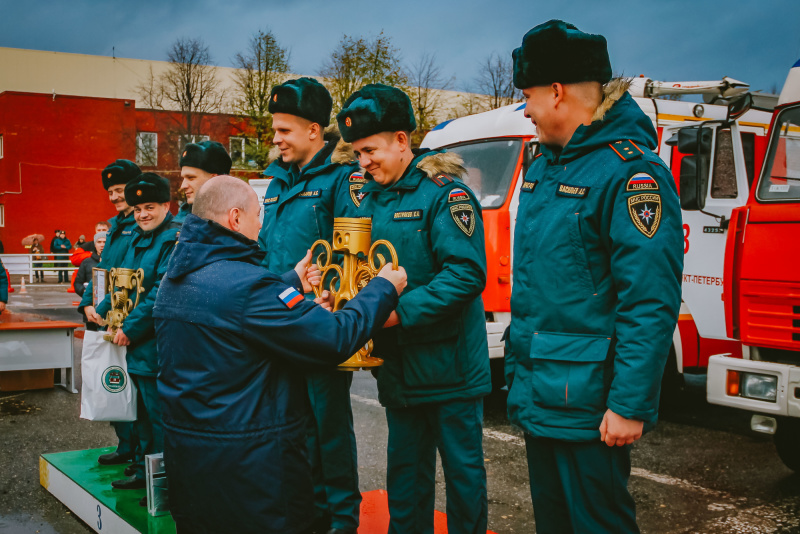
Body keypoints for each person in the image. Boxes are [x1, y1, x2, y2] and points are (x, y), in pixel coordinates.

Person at [505, 20, 683, 533]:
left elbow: (648, 300)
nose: (528, 109)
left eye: (529, 96)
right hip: (543, 394)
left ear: (556, 92)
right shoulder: (546, 166)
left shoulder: (631, 174)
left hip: (591, 406)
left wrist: (629, 404)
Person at [154, 175, 406, 534]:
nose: (263, 223)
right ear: (235, 218)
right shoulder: (250, 286)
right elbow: (332, 338)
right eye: (259, 214)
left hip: (193, 469)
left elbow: (225, 308)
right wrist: (383, 288)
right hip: (254, 479)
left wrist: (288, 282)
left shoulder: (176, 279)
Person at [337, 84, 491, 534]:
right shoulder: (368, 198)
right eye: (357, 153)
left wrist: (394, 313)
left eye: (370, 150)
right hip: (399, 368)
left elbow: (465, 275)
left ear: (402, 140)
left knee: (464, 481)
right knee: (405, 481)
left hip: (451, 372)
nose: (363, 162)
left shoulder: (446, 195)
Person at [258, 77, 363, 534]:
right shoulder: (277, 184)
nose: (275, 140)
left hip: (320, 323)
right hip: (280, 327)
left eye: (284, 130)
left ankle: (342, 521)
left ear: (315, 131)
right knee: (293, 430)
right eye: (275, 131)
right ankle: (310, 517)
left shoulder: (343, 178)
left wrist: (333, 301)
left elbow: (355, 249)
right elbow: (266, 250)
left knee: (330, 432)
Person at [87, 173, 178, 505]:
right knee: (139, 413)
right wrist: (101, 311)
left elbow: (161, 293)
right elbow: (119, 284)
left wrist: (130, 329)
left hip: (156, 345)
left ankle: (165, 486)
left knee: (158, 418)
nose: (142, 214)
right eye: (138, 208)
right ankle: (143, 472)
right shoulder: (139, 238)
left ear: (167, 206)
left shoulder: (172, 238)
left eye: (150, 207)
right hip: (135, 346)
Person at [81, 159, 142, 470]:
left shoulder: (144, 225)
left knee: (137, 390)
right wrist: (88, 304)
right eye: (110, 191)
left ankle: (140, 452)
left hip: (135, 320)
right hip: (110, 317)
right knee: (115, 382)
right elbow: (101, 271)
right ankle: (125, 444)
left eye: (120, 190)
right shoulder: (115, 226)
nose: (115, 196)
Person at [174, 140, 232, 225]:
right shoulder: (178, 225)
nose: (183, 186)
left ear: (214, 180)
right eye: (183, 178)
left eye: (191, 178)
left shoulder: (241, 222)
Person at [74, 232, 106, 331]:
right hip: (91, 308)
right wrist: (84, 291)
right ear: (94, 244)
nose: (102, 245)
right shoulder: (86, 262)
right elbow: (77, 283)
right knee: (93, 340)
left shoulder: (115, 261)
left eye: (105, 242)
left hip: (109, 309)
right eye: (99, 242)